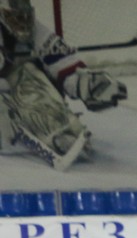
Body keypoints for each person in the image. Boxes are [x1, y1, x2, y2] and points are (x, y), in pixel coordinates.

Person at [0, 0, 127, 170]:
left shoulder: (37, 30)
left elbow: (61, 61)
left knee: (31, 72)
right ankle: (44, 131)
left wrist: (86, 85)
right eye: (14, 17)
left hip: (15, 87)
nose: (22, 23)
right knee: (19, 80)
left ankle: (63, 128)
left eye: (25, 16)